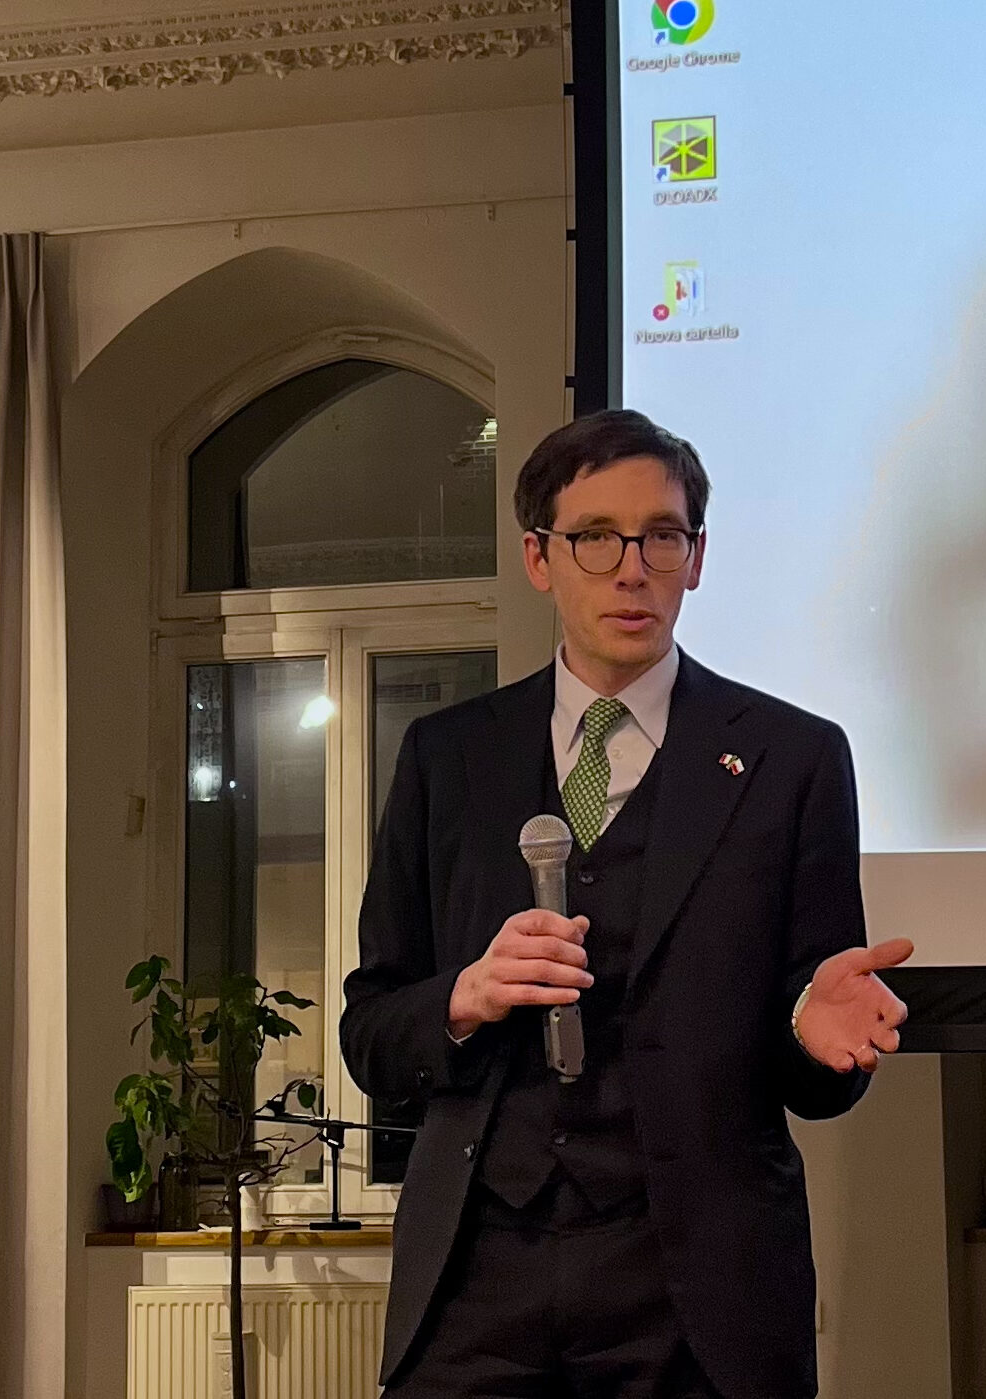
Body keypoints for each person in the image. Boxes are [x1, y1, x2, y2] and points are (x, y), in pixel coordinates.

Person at [340, 409, 913, 1399]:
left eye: (661, 536)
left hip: (698, 1289)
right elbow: (371, 1035)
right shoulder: (448, 757)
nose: (631, 569)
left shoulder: (792, 759)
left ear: (697, 558)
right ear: (538, 556)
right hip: (477, 1279)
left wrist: (812, 1036)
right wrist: (465, 998)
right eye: (596, 538)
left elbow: (812, 1071)